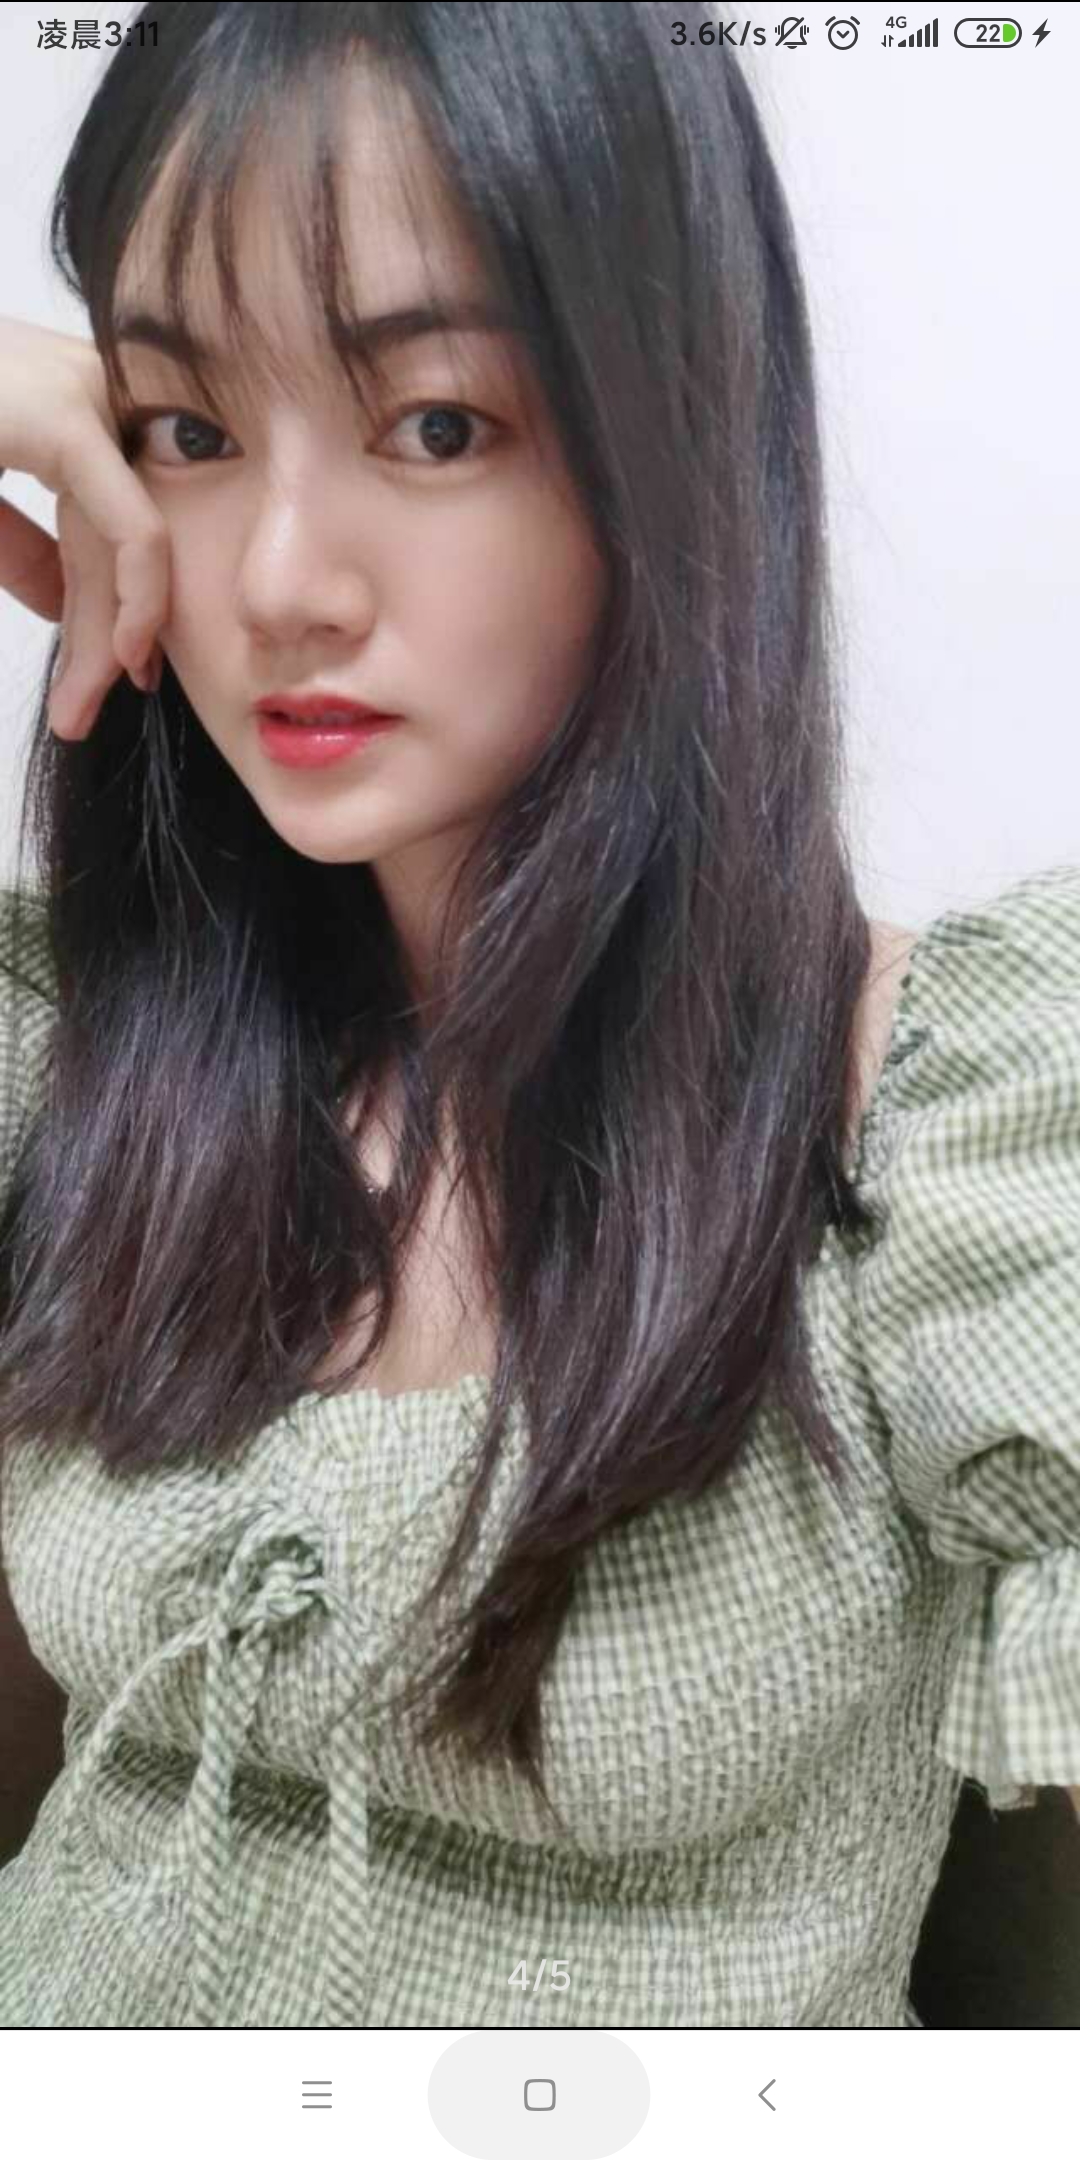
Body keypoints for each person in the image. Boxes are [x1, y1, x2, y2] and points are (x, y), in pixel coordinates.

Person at [0, 2, 1077, 2031]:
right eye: (189, 432)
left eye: (434, 427)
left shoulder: (954, 1105)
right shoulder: (89, 1050)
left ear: (671, 441)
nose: (280, 583)